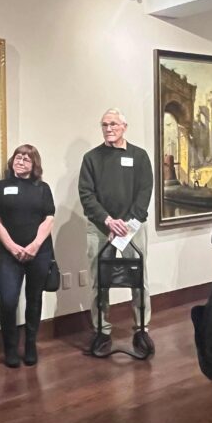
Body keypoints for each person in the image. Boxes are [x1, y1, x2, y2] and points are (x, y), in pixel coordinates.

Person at [78, 108, 154, 356]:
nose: (109, 129)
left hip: (132, 227)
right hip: (101, 228)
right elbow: (86, 194)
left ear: (124, 126)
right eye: (104, 125)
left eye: (113, 124)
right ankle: (102, 331)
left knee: (138, 279)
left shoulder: (139, 156)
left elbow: (145, 190)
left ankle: (141, 329)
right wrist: (108, 221)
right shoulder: (91, 158)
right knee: (99, 281)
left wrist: (128, 223)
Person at [0, 145, 55, 368]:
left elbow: (49, 219)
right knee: (8, 301)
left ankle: (30, 345)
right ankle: (10, 348)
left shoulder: (42, 188)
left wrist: (35, 246)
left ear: (34, 164)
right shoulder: (1, 187)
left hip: (39, 253)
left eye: (27, 159)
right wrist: (12, 247)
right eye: (18, 157)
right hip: (10, 255)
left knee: (34, 299)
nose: (21, 161)